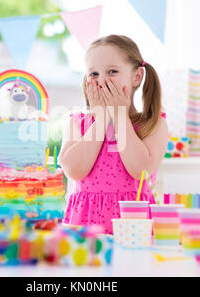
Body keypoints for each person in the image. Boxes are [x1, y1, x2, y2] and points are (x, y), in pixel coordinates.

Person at [58, 34, 168, 234]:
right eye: (93, 74)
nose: (102, 81)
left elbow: (141, 170)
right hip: (84, 227)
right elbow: (74, 170)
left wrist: (119, 115)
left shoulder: (153, 123)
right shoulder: (77, 123)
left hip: (133, 227)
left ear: (137, 77)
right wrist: (101, 117)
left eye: (112, 71)